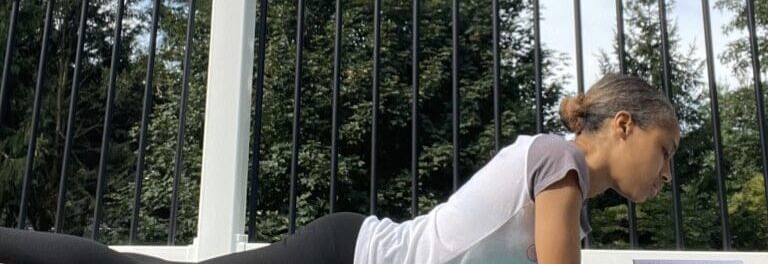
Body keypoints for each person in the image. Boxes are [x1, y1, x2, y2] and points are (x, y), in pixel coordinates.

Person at [0, 73, 680, 264]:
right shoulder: (558, 162)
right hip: (350, 252)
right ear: (622, 125)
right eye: (666, 149)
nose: (667, 171)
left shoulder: (567, 196)